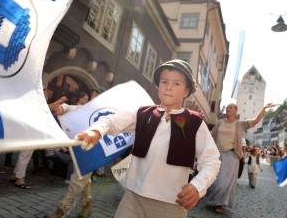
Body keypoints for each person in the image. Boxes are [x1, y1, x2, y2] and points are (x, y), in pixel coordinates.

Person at [71, 60, 221, 218]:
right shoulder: (143, 113)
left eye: (176, 83)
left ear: (186, 91)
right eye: (164, 82)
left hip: (170, 203)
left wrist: (198, 186)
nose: (169, 87)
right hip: (133, 197)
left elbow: (212, 161)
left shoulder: (194, 122)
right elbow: (111, 121)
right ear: (158, 86)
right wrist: (96, 131)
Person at [206, 102, 277, 214]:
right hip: (217, 154)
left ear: (235, 110)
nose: (228, 109)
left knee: (226, 182)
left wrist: (264, 108)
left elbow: (255, 121)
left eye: (231, 107)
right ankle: (214, 199)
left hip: (231, 156)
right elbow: (210, 134)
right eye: (227, 107)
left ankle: (220, 204)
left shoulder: (240, 124)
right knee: (216, 180)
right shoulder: (219, 123)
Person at [46, 86, 106, 218]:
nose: (92, 98)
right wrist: (62, 108)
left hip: (91, 151)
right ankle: (86, 206)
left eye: (96, 95)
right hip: (78, 149)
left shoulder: (105, 115)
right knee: (84, 180)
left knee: (77, 178)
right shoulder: (83, 109)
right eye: (92, 95)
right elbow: (70, 108)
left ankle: (60, 211)